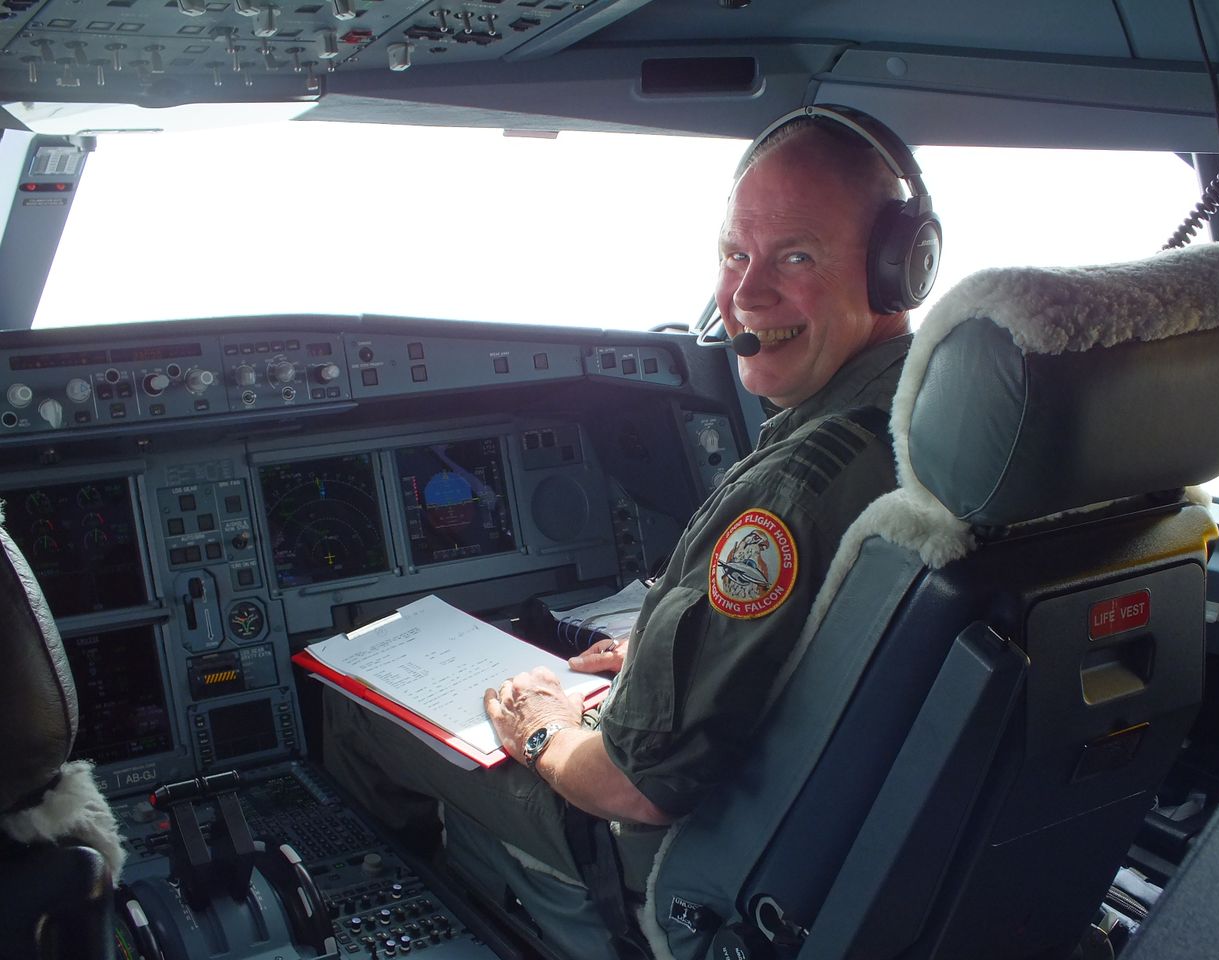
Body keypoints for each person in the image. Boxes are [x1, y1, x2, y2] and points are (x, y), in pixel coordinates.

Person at [323, 107, 920, 959]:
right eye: (733, 254)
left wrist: (542, 729)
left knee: (360, 709)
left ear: (898, 269)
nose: (746, 295)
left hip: (674, 848)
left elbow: (636, 789)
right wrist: (664, 647)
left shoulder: (795, 487)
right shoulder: (942, 426)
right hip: (857, 835)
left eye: (796, 256)